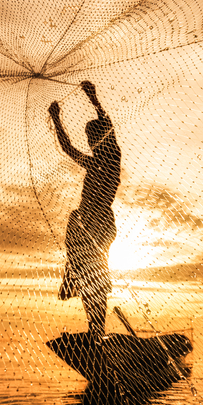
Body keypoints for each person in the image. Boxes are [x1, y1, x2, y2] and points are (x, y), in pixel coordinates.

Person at [50, 81, 121, 342]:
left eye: (94, 139)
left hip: (98, 225)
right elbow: (68, 149)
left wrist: (93, 98)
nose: (91, 143)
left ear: (104, 139)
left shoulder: (112, 160)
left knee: (96, 277)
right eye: (90, 140)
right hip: (85, 225)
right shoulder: (93, 163)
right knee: (87, 274)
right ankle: (93, 326)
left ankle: (97, 331)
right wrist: (56, 119)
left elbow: (107, 124)